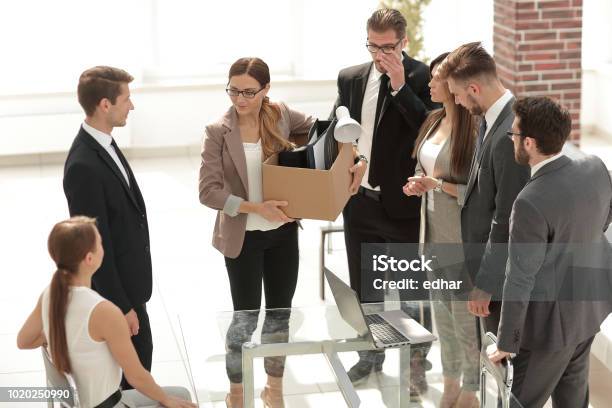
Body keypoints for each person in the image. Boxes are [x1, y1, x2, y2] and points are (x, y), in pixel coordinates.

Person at [330, 8, 438, 393]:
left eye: (387, 47)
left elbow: (429, 129)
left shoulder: (425, 77)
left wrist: (398, 85)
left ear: (403, 42)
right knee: (365, 287)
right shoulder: (351, 78)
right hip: (359, 201)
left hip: (403, 205)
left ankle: (416, 365)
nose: (379, 54)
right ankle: (370, 353)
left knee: (411, 291)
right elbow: (337, 129)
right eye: (373, 46)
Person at [198, 57, 315, 408]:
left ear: (266, 90)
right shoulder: (218, 130)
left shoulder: (279, 114)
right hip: (243, 238)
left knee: (280, 316)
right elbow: (208, 192)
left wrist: (348, 161)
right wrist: (254, 207)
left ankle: (274, 390)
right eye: (234, 90)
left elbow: (321, 128)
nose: (240, 99)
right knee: (244, 320)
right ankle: (237, 391)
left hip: (283, 235)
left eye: (249, 91)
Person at [488, 97, 612, 408]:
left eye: (514, 135)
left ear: (528, 142)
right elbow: (603, 218)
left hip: (549, 331)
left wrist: (506, 343)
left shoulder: (530, 201)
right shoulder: (595, 167)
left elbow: (519, 278)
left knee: (519, 403)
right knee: (573, 401)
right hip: (589, 310)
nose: (512, 140)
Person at [17, 217, 195, 408]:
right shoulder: (104, 312)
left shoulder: (50, 294)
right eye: (100, 243)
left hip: (84, 403)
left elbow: (23, 341)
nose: (104, 247)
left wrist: (61, 334)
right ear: (90, 259)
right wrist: (166, 400)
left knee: (179, 394)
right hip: (110, 404)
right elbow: (136, 377)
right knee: (181, 396)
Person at [63, 66, 154, 389]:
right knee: (133, 381)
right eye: (126, 99)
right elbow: (94, 247)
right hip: (118, 300)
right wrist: (122, 306)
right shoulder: (83, 166)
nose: (132, 105)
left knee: (140, 369)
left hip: (131, 290)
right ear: (105, 104)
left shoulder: (104, 144)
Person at [403, 52, 480, 408]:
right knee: (443, 320)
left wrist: (438, 185)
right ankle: (450, 383)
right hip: (430, 238)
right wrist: (420, 185)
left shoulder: (474, 130)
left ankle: (471, 390)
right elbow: (429, 174)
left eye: (436, 79)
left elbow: (480, 194)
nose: (430, 84)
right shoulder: (434, 120)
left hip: (460, 243)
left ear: (452, 85)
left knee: (465, 325)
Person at [438, 42, 530, 334]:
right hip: (482, 267)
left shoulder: (509, 134)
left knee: (501, 370)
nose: (457, 102)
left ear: (474, 89)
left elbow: (506, 218)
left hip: (500, 283)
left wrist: (486, 284)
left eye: (456, 94)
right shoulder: (489, 119)